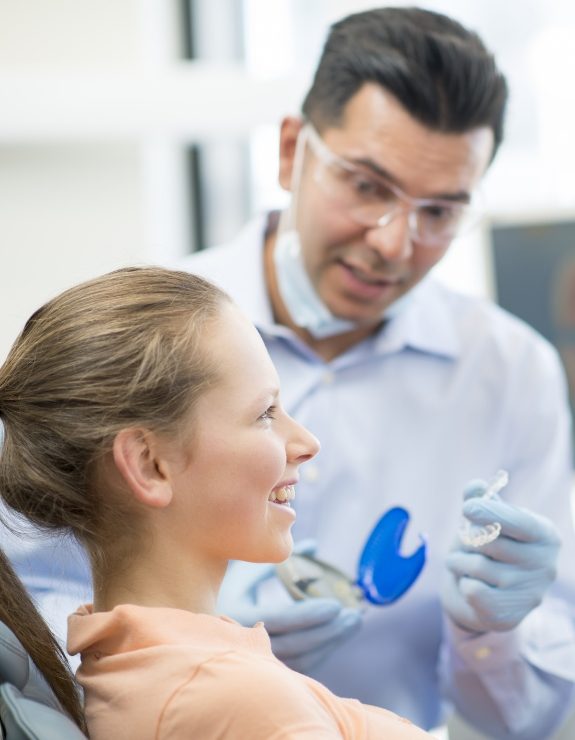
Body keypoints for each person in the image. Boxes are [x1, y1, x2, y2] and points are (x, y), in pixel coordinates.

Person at [173, 6, 575, 739]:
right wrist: (200, 642)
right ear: (292, 151)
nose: (395, 243)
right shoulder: (145, 338)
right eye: (365, 186)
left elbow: (526, 723)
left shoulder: (511, 374)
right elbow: (34, 623)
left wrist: (492, 635)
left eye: (439, 212)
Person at [0, 266, 431, 738]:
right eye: (265, 413)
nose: (308, 441)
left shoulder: (143, 670)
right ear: (149, 464)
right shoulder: (236, 700)